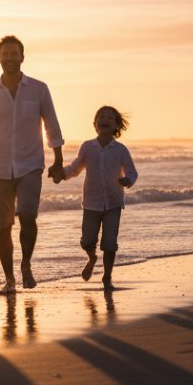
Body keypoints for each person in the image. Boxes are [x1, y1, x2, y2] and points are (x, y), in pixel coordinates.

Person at [0, 35, 64, 294]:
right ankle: (9, 279)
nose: (9, 58)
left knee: (28, 216)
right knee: (2, 225)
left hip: (30, 165)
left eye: (14, 54)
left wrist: (58, 159)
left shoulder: (39, 89)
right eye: (5, 54)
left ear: (22, 57)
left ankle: (26, 265)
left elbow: (51, 123)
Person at [60, 105, 137, 290]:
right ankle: (92, 258)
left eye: (110, 117)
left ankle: (107, 277)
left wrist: (128, 180)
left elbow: (132, 171)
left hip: (113, 203)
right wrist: (61, 173)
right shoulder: (88, 147)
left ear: (116, 125)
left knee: (110, 243)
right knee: (87, 241)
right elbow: (76, 167)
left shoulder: (120, 150)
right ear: (95, 124)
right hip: (91, 204)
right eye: (101, 116)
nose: (105, 119)